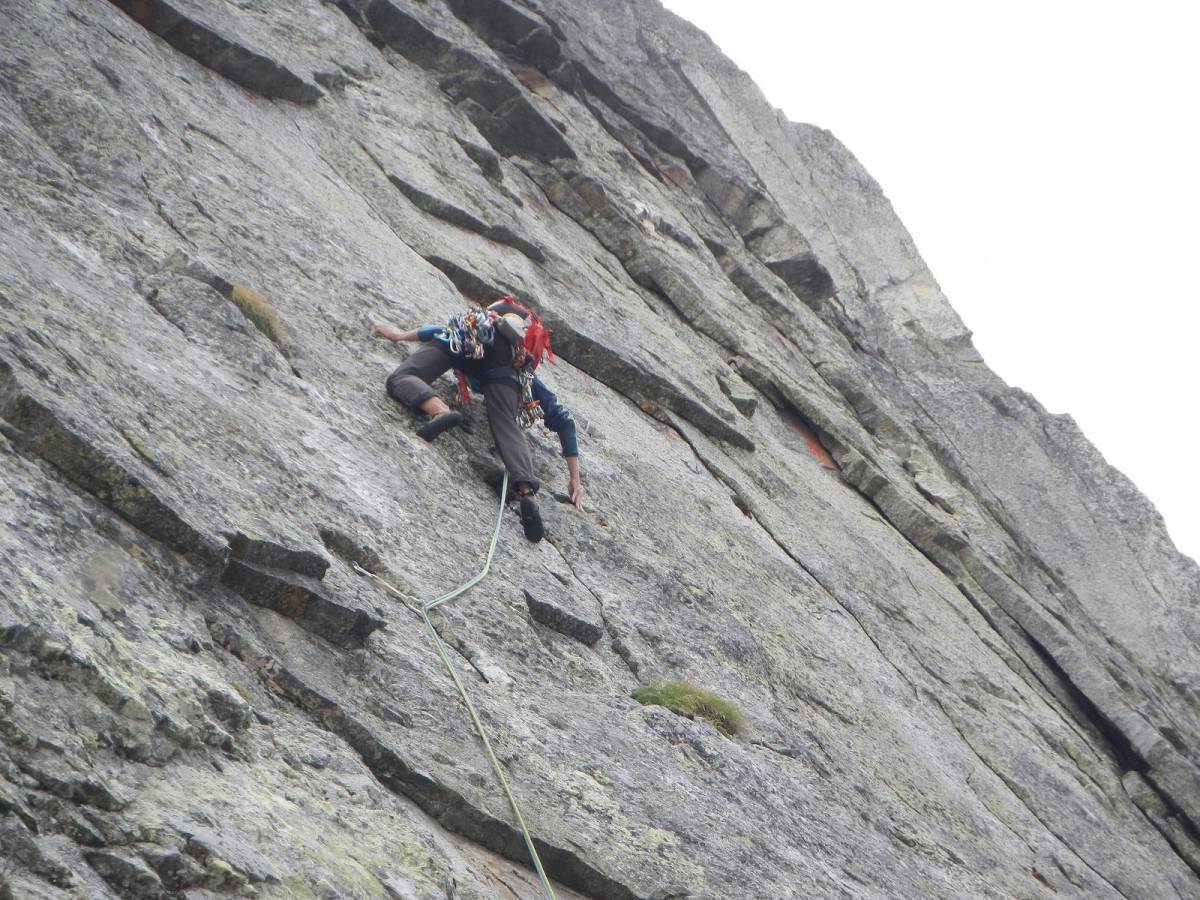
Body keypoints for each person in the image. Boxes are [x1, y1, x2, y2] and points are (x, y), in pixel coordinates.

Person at [373, 300, 582, 543]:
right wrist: (575, 479)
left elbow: (438, 331)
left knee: (403, 377)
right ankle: (527, 492)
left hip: (467, 338)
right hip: (505, 370)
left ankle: (440, 410)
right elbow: (564, 421)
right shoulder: (520, 365)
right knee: (507, 424)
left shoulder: (475, 325)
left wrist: (398, 336)